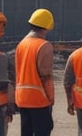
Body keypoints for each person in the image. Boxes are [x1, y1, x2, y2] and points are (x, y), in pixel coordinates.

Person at [15, 8, 55, 136]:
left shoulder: (21, 44)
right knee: (43, 130)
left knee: (26, 132)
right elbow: (46, 76)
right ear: (46, 27)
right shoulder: (44, 45)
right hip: (38, 99)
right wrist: (51, 98)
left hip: (22, 98)